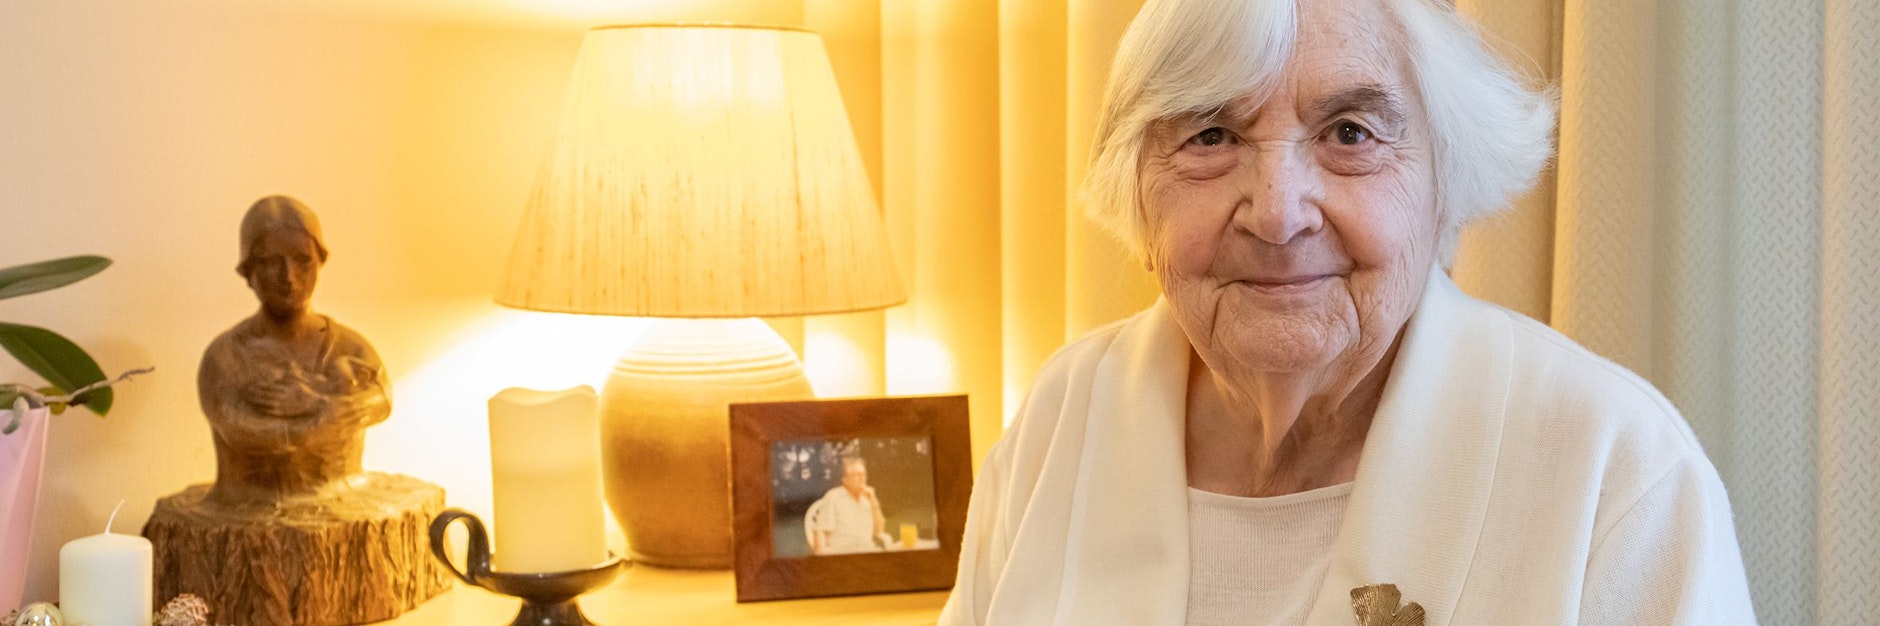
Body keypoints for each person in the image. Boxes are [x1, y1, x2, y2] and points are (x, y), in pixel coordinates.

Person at [939, 0, 1755, 624]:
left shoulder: (1615, 467)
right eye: (1212, 134)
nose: (1278, 212)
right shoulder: (1062, 417)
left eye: (1352, 132)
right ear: (1138, 196)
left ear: (1446, 184)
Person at [199, 196, 392, 507]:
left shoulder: (348, 345)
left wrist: (317, 403)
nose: (288, 276)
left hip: (342, 500)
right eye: (271, 261)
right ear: (249, 270)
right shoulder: (225, 357)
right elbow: (239, 430)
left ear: (320, 261)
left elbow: (381, 399)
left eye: (302, 259)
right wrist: (316, 425)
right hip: (250, 508)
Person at [805, 456, 889, 555]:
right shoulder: (834, 497)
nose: (862, 479)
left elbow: (879, 530)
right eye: (857, 475)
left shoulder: (867, 500)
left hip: (866, 550)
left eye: (864, 474)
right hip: (841, 553)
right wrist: (821, 556)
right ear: (845, 479)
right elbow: (820, 531)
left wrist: (873, 501)